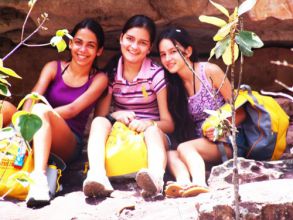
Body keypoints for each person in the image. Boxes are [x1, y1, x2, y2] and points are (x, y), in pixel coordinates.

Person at [83, 15, 174, 198]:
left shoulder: (156, 74)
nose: (134, 46)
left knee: (153, 132)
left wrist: (149, 123)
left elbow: (169, 123)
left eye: (142, 43)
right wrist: (115, 115)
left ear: (149, 48)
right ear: (121, 38)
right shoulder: (112, 72)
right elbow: (100, 117)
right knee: (99, 123)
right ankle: (98, 175)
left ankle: (155, 179)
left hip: (152, 138)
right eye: (130, 39)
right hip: (122, 135)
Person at [24, 18, 108, 207]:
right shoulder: (53, 67)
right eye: (78, 42)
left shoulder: (99, 78)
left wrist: (40, 115)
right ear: (70, 43)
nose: (82, 49)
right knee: (4, 108)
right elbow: (33, 96)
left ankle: (39, 180)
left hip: (69, 142)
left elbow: (73, 109)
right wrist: (23, 124)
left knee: (40, 109)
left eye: (90, 45)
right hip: (38, 128)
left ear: (99, 51)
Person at [157, 27, 246, 197]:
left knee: (185, 147)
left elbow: (240, 112)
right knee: (170, 153)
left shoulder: (209, 72)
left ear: (188, 51)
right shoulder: (174, 86)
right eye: (163, 54)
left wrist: (221, 127)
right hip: (200, 143)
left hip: (228, 141)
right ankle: (183, 183)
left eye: (173, 52)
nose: (168, 59)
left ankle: (199, 183)